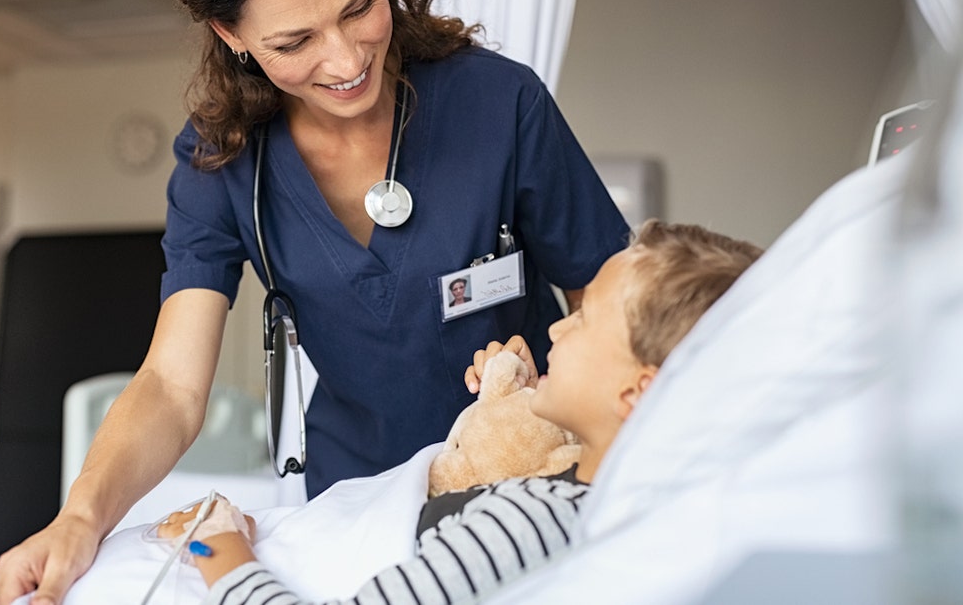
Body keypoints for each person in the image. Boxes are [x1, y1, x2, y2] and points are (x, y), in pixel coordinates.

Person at [0, 0, 627, 602]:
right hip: (357, 503)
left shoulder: (499, 105)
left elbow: (617, 308)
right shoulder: (222, 160)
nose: (348, 58)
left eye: (359, 6)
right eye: (294, 43)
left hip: (530, 478)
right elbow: (172, 386)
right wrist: (81, 518)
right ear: (231, 33)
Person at [156, 220, 764, 604]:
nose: (557, 329)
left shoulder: (536, 521)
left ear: (637, 393)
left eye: (583, 318)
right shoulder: (599, 499)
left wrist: (219, 548)